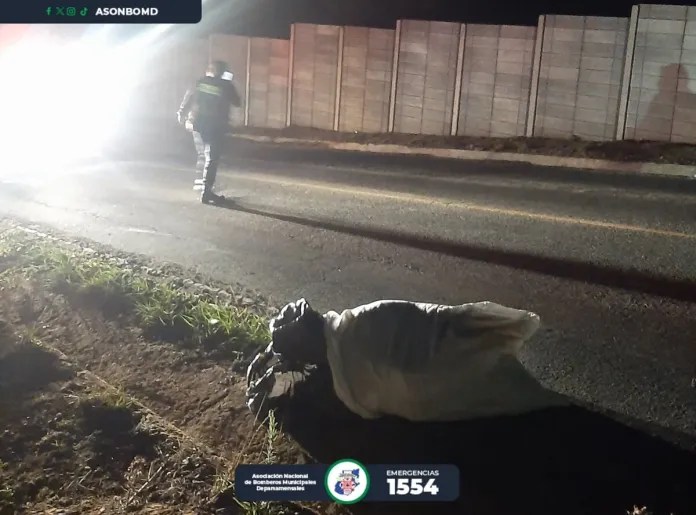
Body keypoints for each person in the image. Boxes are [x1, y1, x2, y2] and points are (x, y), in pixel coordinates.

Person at [177, 60, 241, 203]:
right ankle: (206, 192)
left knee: (202, 155)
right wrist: (229, 82)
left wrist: (181, 113)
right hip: (216, 126)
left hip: (198, 124)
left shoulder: (200, 82)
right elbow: (237, 101)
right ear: (223, 72)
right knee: (211, 158)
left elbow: (189, 98)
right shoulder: (225, 85)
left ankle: (200, 184)